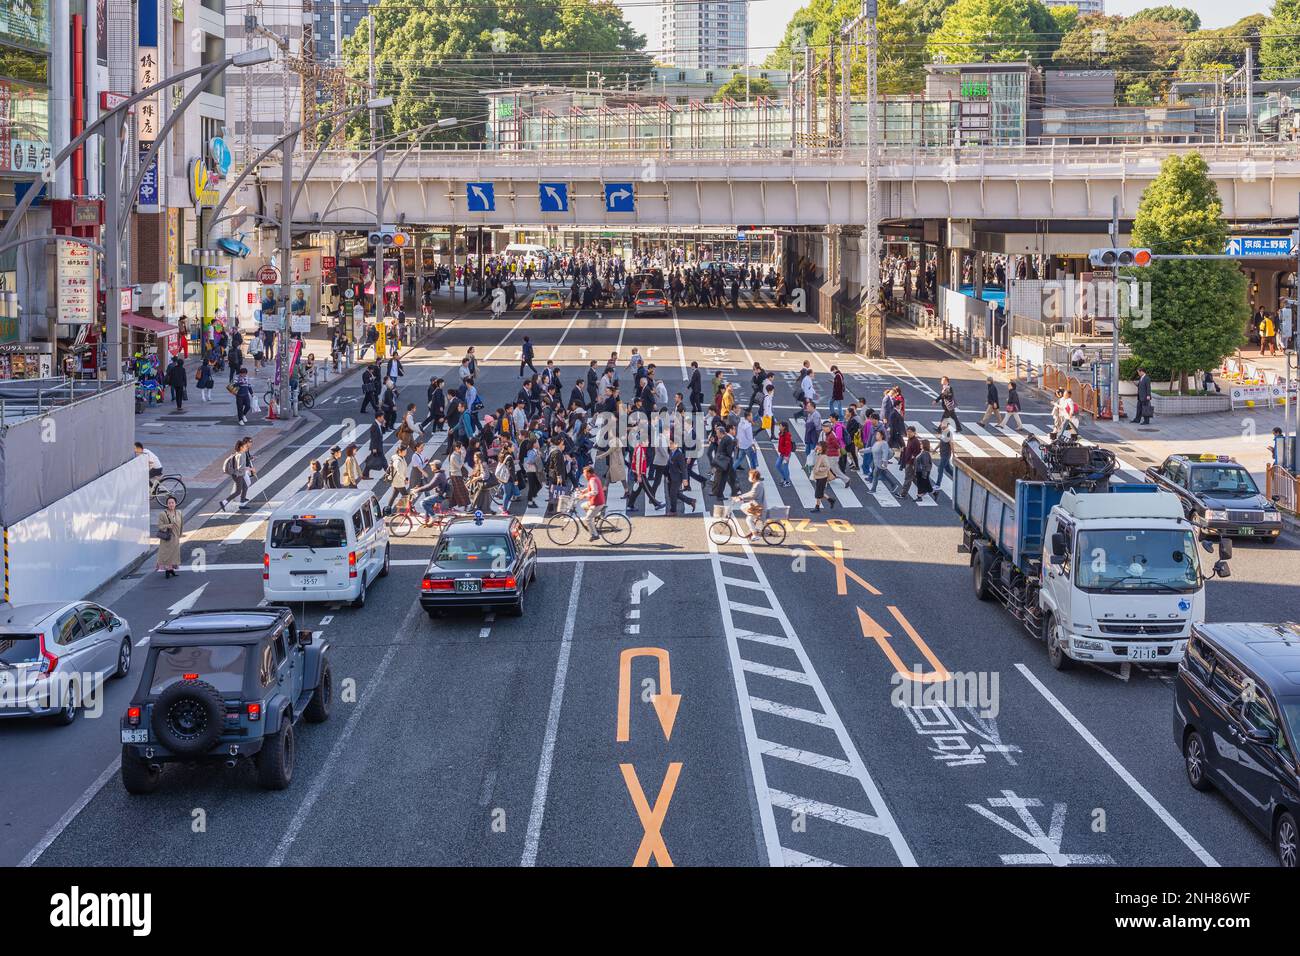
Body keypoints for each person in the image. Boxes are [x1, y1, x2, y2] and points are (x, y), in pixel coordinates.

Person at [219, 438, 255, 511]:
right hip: (237, 475)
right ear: (241, 447)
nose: (246, 448)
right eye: (245, 447)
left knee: (245, 487)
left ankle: (242, 504)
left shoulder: (241, 454)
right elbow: (240, 468)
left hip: (239, 474)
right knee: (238, 491)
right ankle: (224, 502)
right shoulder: (240, 455)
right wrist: (250, 469)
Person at [732, 468, 767, 539]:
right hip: (757, 504)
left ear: (754, 477)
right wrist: (740, 496)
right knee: (743, 507)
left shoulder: (757, 485)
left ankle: (755, 535)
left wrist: (741, 498)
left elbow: (752, 495)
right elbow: (751, 493)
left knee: (748, 519)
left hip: (758, 506)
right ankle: (754, 522)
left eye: (750, 476)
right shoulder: (758, 483)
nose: (749, 478)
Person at [575, 464, 607, 541]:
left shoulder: (592, 480)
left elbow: (594, 491)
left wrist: (584, 495)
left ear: (589, 473)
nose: (584, 475)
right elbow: (590, 487)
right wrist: (583, 491)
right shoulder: (594, 478)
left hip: (597, 503)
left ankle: (595, 535)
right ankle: (594, 517)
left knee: (588, 519)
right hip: (595, 501)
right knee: (583, 505)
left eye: (584, 473)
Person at [156, 496, 183, 579]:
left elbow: (181, 524)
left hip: (176, 537)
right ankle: (167, 570)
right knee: (167, 554)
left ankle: (171, 569)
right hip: (168, 537)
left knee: (174, 554)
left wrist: (180, 534)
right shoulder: (163, 514)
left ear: (175, 503)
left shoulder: (179, 513)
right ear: (167, 504)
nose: (171, 504)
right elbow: (160, 526)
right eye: (169, 503)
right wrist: (168, 525)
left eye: (172, 503)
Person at [810, 442, 837, 512]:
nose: (818, 446)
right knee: (820, 492)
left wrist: (818, 469)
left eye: (819, 446)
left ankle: (817, 507)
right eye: (817, 445)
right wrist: (815, 451)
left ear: (823, 448)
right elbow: (812, 458)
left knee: (818, 493)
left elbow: (827, 467)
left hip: (822, 477)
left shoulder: (823, 456)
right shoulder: (818, 454)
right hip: (818, 476)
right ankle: (830, 500)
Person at [385, 445, 410, 515]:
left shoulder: (401, 457)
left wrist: (405, 478)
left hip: (398, 481)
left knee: (394, 495)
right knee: (406, 495)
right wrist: (405, 479)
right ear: (400, 452)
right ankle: (409, 510)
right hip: (398, 481)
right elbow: (399, 472)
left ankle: (388, 509)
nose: (406, 452)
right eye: (405, 451)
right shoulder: (397, 461)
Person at [868, 429, 892, 493]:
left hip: (880, 462)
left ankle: (873, 489)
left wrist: (884, 462)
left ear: (881, 436)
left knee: (876, 475)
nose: (876, 436)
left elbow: (885, 453)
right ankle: (893, 485)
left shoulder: (884, 443)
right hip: (877, 462)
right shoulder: (877, 443)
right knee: (882, 475)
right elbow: (872, 449)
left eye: (878, 434)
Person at [774, 422, 793, 487]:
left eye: (780, 426)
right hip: (782, 453)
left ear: (784, 427)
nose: (779, 427)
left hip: (786, 454)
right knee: (777, 465)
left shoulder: (787, 435)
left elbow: (788, 446)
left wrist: (786, 456)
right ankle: (785, 477)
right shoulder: (781, 434)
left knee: (785, 467)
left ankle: (787, 481)